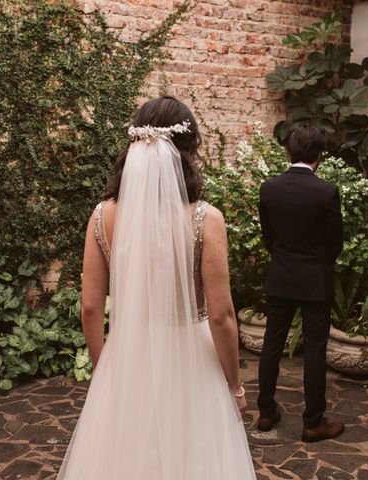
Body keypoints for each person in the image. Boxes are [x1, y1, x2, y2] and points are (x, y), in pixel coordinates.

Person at [56, 96, 257, 479]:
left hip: (127, 356)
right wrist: (234, 385)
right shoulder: (205, 219)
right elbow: (221, 315)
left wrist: (107, 371)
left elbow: (90, 309)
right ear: (188, 151)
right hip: (193, 365)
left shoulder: (101, 216)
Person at [256, 124, 344, 442]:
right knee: (315, 350)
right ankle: (313, 422)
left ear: (288, 151)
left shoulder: (269, 188)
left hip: (280, 276)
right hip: (315, 280)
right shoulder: (327, 192)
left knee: (271, 344)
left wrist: (283, 258)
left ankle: (266, 411)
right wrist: (317, 262)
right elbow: (336, 243)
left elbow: (269, 236)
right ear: (319, 155)